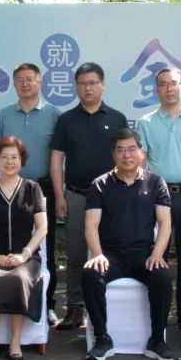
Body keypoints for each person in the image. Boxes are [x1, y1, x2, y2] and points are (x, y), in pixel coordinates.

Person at [82, 128, 180, 360]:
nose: (127, 155)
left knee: (162, 276)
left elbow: (165, 223)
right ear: (113, 154)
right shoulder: (100, 185)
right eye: (121, 150)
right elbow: (91, 225)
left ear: (141, 153)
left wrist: (157, 254)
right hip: (110, 256)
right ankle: (102, 339)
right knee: (90, 275)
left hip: (143, 255)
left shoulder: (155, 183)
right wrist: (97, 254)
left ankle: (157, 341)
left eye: (132, 149)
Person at [49, 62, 128, 331]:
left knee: (109, 252)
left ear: (103, 84)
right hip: (76, 195)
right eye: (82, 83)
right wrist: (59, 196)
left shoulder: (117, 119)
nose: (88, 88)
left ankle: (107, 306)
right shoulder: (66, 120)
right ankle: (75, 308)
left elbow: (127, 158)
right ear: (76, 87)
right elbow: (56, 159)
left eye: (93, 83)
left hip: (111, 198)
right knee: (75, 255)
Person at [136, 68, 181, 331]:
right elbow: (142, 163)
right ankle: (159, 310)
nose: (169, 88)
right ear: (156, 89)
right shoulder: (145, 122)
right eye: (163, 84)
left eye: (174, 83)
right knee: (158, 254)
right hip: (158, 196)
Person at [0, 136, 49, 360]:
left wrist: (24, 254)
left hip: (26, 257)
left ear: (22, 161)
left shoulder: (32, 188)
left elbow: (42, 228)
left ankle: (15, 341)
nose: (10, 162)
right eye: (4, 157)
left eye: (15, 157)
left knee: (19, 278)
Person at [0, 63, 62, 325]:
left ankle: (48, 303)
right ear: (14, 84)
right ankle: (8, 300)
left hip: (43, 186)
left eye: (30, 79)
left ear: (40, 82)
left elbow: (59, 157)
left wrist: (59, 193)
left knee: (45, 244)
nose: (25, 84)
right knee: (10, 240)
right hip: (10, 187)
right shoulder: (4, 115)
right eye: (20, 80)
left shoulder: (54, 114)